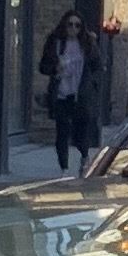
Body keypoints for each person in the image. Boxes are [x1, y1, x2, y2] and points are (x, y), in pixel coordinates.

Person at [40, 10, 102, 170]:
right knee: (62, 132)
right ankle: (64, 168)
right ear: (64, 25)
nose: (73, 29)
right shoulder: (56, 42)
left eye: (77, 26)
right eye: (70, 25)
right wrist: (55, 68)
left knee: (81, 131)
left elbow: (97, 67)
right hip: (61, 94)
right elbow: (43, 66)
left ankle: (84, 156)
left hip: (80, 95)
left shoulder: (88, 44)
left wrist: (92, 84)